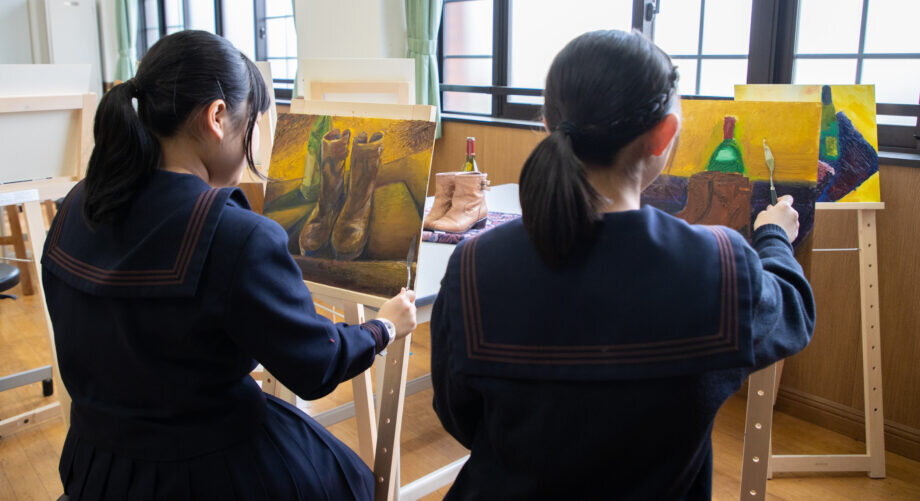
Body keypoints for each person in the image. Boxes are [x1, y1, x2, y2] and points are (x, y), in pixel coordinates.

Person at [430, 30, 815, 500]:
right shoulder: (719, 265)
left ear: (548, 125)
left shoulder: (473, 265)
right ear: (664, 135)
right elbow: (794, 313)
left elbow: (458, 414)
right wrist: (774, 235)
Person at [42, 30, 417, 500]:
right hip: (202, 473)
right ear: (217, 117)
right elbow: (314, 365)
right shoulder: (234, 234)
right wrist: (382, 327)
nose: (253, 141)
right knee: (353, 483)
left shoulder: (76, 206)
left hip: (97, 468)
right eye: (251, 124)